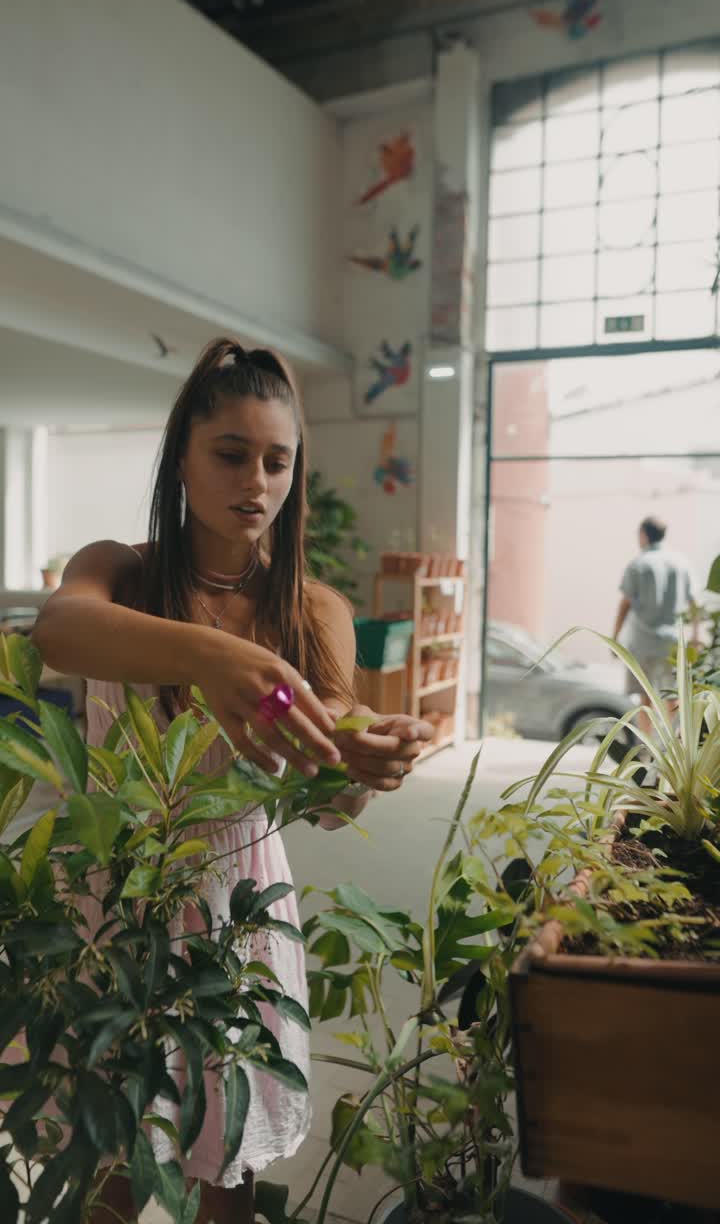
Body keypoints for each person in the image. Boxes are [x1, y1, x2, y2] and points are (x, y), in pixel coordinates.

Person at [32, 338, 433, 1224]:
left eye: (277, 461)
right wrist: (217, 655)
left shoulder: (312, 608)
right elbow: (58, 630)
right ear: (182, 456)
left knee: (227, 1161)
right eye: (231, 454)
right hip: (115, 901)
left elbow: (331, 802)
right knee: (112, 1157)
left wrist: (369, 762)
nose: (257, 480)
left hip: (237, 909)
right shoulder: (122, 572)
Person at [612, 516, 696, 733]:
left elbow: (625, 604)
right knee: (674, 696)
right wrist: (696, 635)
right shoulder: (681, 563)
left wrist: (614, 637)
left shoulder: (638, 564)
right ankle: (678, 746)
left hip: (643, 642)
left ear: (643, 535)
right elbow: (694, 602)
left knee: (644, 698)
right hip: (673, 642)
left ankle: (647, 749)